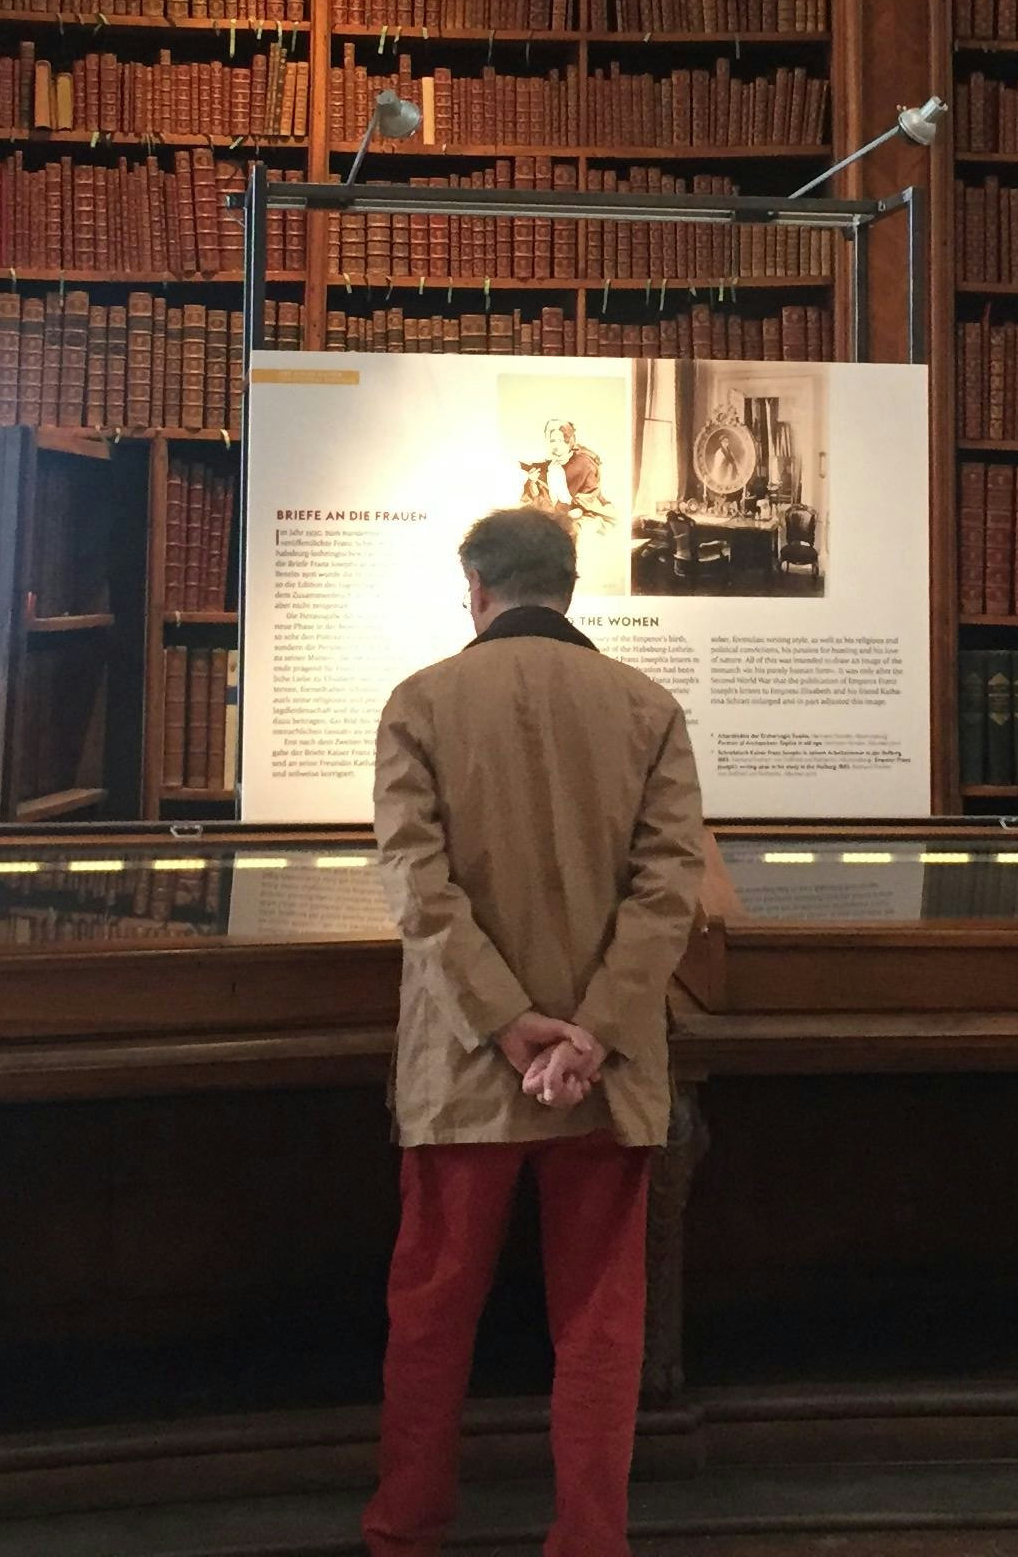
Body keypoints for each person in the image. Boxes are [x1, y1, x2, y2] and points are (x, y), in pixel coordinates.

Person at [367, 506, 707, 1557]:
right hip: (605, 1078)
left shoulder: (420, 704)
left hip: (467, 1068)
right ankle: (589, 1539)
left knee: (432, 1314)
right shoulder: (648, 708)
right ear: (568, 585)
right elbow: (669, 895)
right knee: (601, 1326)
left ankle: (408, 1528)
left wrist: (510, 1026)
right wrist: (591, 1035)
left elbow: (418, 891)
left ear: (477, 588)